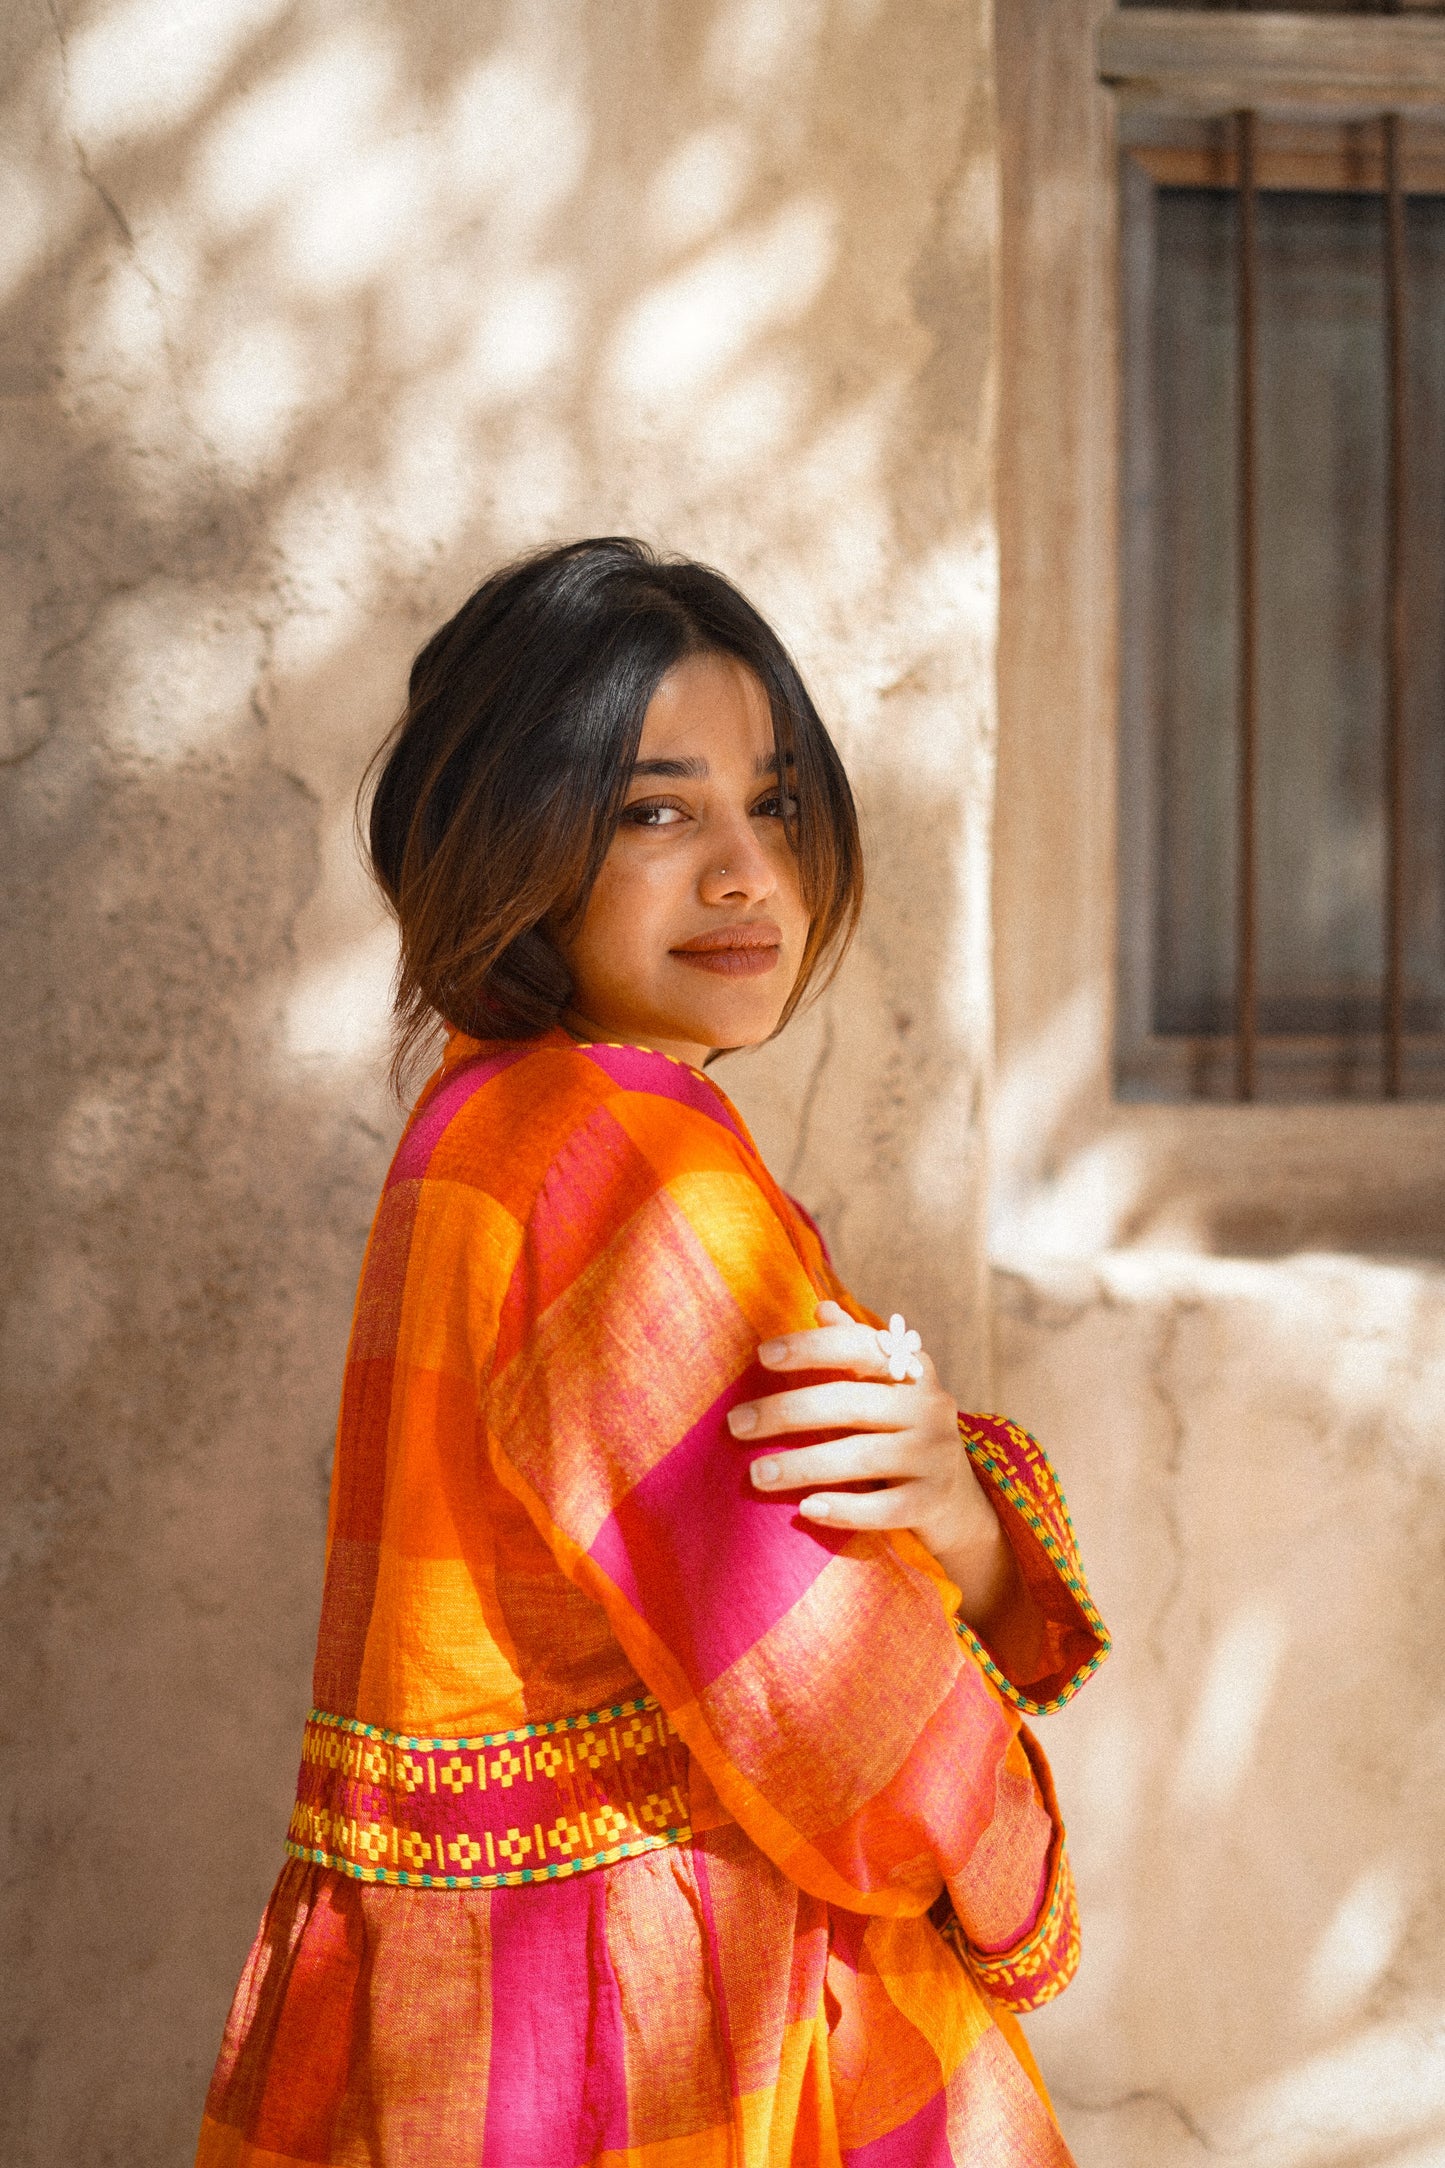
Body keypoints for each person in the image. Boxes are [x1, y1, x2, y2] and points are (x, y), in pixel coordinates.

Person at [197, 537, 1109, 2168]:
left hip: (497, 2048)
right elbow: (846, 1721)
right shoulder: (622, 1159)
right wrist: (1015, 1840)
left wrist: (961, 1518)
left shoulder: (488, 1123)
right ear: (509, 838)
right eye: (654, 810)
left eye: (775, 804)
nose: (747, 871)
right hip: (671, 2049)